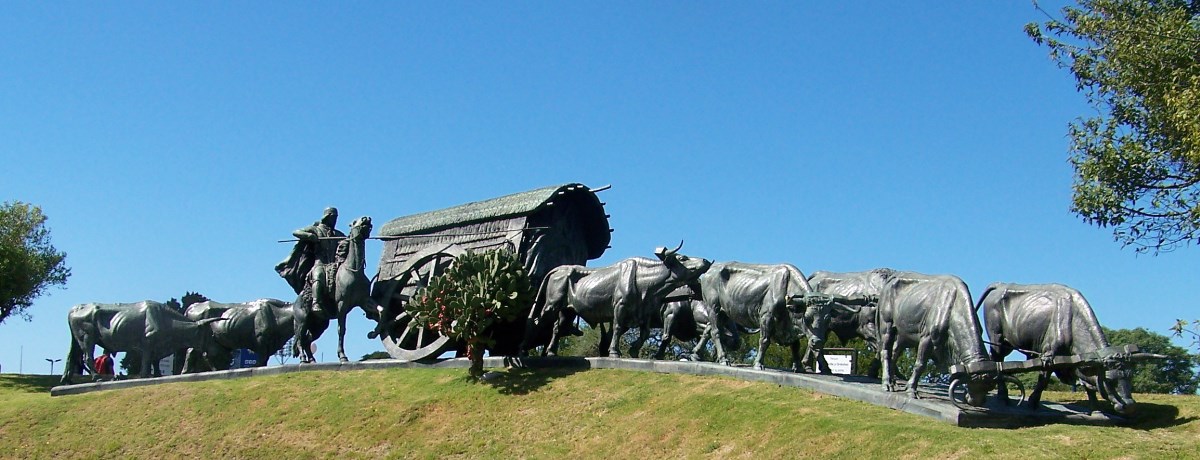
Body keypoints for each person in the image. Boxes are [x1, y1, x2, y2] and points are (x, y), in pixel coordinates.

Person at [275, 207, 346, 312]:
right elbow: (296, 232)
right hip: (320, 263)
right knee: (318, 275)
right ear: (327, 217)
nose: (335, 220)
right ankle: (316, 302)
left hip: (335, 265)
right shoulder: (316, 229)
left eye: (336, 218)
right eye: (333, 217)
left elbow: (348, 240)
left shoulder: (338, 234)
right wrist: (309, 236)